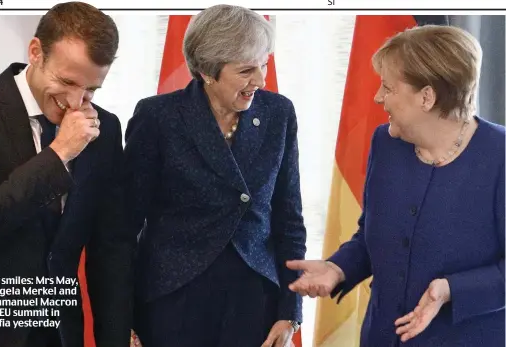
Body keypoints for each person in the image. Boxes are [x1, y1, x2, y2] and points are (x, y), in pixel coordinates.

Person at [287, 25, 504, 347]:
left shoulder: (500, 155)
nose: (377, 98)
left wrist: (451, 289)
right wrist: (338, 268)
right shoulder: (386, 144)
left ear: (426, 97)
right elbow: (372, 236)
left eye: (388, 88)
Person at [125, 5, 306, 347]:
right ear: (208, 71)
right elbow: (124, 227)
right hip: (173, 301)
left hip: (255, 303)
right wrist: (122, 319)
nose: (261, 80)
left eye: (264, 64)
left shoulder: (278, 113)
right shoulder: (158, 118)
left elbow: (288, 219)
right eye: (246, 70)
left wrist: (290, 310)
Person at [0, 2, 133, 346]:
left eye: (92, 89)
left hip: (63, 333)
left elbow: (111, 251)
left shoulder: (104, 128)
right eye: (67, 81)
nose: (77, 102)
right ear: (36, 52)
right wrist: (59, 153)